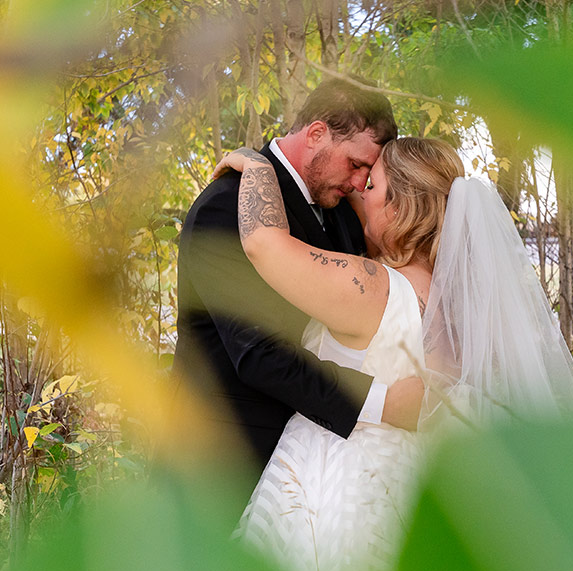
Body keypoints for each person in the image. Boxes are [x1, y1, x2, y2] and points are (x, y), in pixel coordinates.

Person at [214, 136, 573, 571]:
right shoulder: (461, 309)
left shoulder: (373, 289)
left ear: (400, 207)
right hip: (415, 489)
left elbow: (263, 245)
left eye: (370, 185)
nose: (358, 193)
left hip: (340, 491)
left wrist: (256, 165)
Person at [173, 79, 425, 495]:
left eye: (369, 173)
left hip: (316, 465)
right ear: (316, 134)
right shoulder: (227, 204)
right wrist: (382, 403)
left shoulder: (341, 211)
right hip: (220, 465)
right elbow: (257, 354)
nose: (360, 182)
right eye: (356, 164)